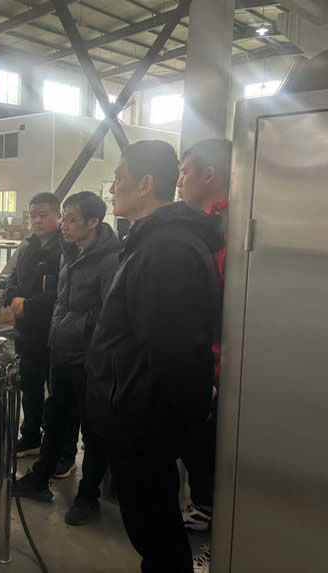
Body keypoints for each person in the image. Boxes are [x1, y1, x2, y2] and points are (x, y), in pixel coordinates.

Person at [87, 140, 221, 573]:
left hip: (144, 421)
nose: (112, 189)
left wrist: (156, 427)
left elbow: (174, 348)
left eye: (118, 179)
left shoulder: (166, 249)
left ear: (145, 184)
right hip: (137, 412)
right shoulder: (153, 241)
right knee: (153, 528)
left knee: (156, 533)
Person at [15, 192, 120, 525]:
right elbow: (62, 303)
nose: (65, 225)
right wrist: (57, 337)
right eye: (64, 217)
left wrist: (81, 340)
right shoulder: (70, 252)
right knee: (56, 418)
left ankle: (88, 497)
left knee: (93, 430)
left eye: (73, 219)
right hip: (61, 351)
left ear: (93, 222)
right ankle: (40, 477)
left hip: (90, 359)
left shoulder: (110, 260)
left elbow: (109, 316)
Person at [177, 139, 232, 573]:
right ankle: (206, 510)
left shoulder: (227, 228)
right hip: (208, 359)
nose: (180, 181)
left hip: (223, 364)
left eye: (185, 171)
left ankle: (226, 543)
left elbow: (222, 306)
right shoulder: (210, 224)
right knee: (199, 448)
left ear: (209, 175)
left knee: (220, 455)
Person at [2, 192, 63, 458]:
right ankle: (30, 436)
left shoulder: (65, 250)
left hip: (53, 332)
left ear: (58, 216)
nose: (37, 221)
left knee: (57, 392)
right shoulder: (27, 248)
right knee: (30, 387)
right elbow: (12, 279)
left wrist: (28, 304)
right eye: (33, 216)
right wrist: (14, 297)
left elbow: (61, 294)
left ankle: (57, 446)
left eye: (43, 215)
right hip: (26, 332)